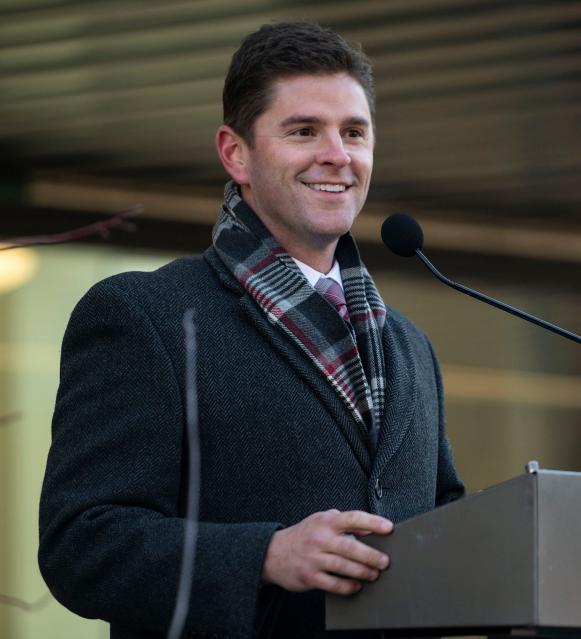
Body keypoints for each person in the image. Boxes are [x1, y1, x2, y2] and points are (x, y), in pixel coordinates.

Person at [38, 22, 465, 639]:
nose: (337, 155)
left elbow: (446, 522)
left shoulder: (410, 347)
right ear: (235, 153)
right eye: (303, 131)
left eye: (354, 132)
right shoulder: (144, 315)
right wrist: (266, 555)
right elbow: (80, 546)